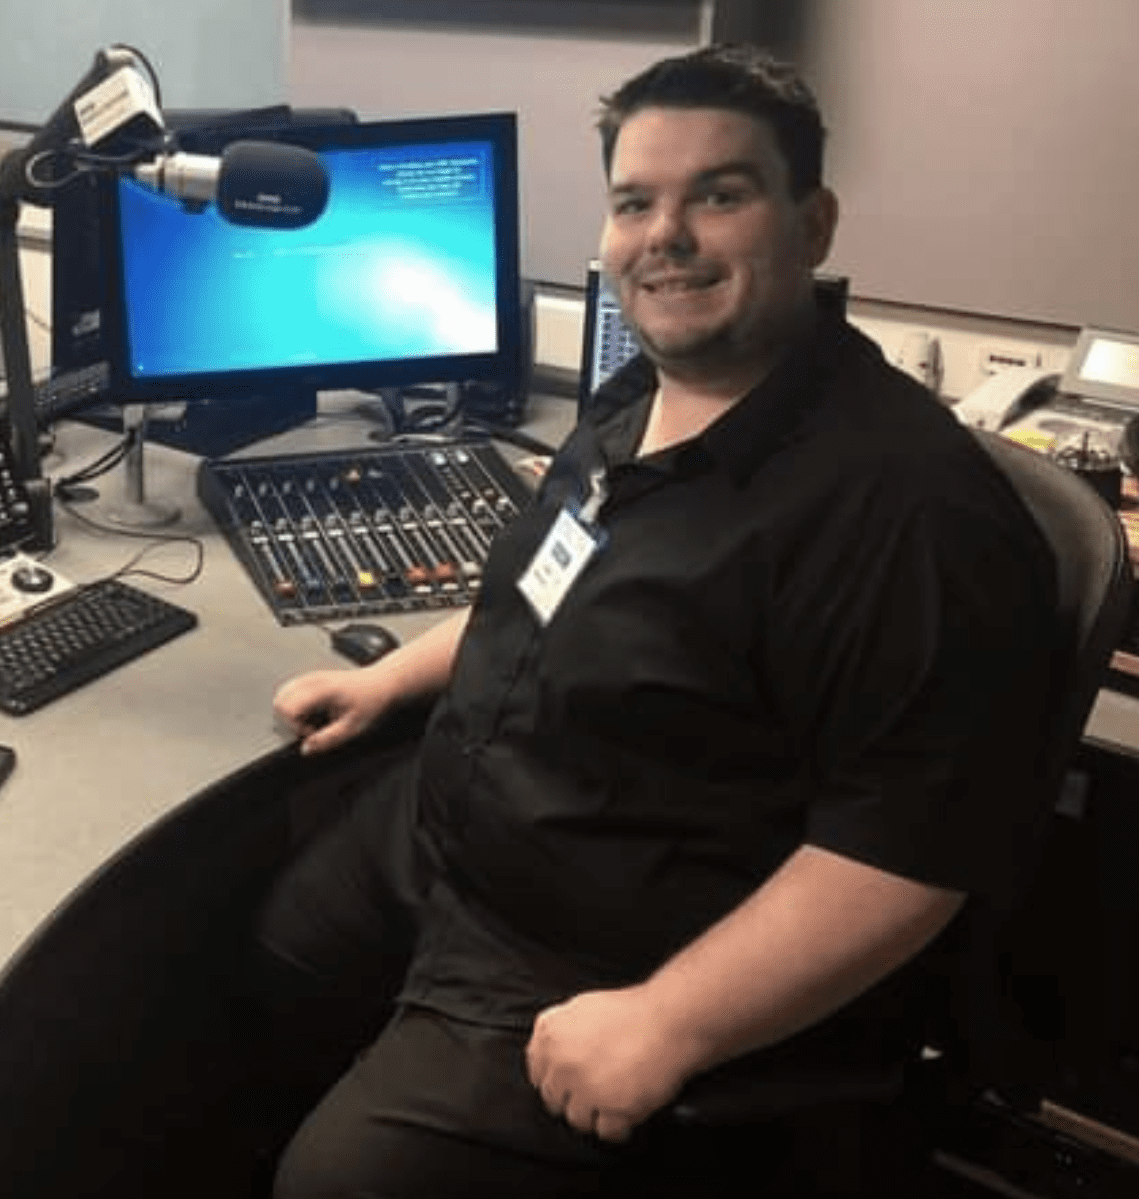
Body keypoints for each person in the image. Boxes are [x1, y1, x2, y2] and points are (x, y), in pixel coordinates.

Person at [249, 42, 1058, 1198]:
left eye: (718, 195)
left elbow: (908, 851)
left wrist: (668, 1020)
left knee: (338, 1182)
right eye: (637, 203)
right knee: (279, 945)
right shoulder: (648, 388)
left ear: (812, 221)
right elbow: (557, 583)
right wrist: (402, 678)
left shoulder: (910, 516)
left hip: (615, 943)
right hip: (469, 836)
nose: (664, 237)